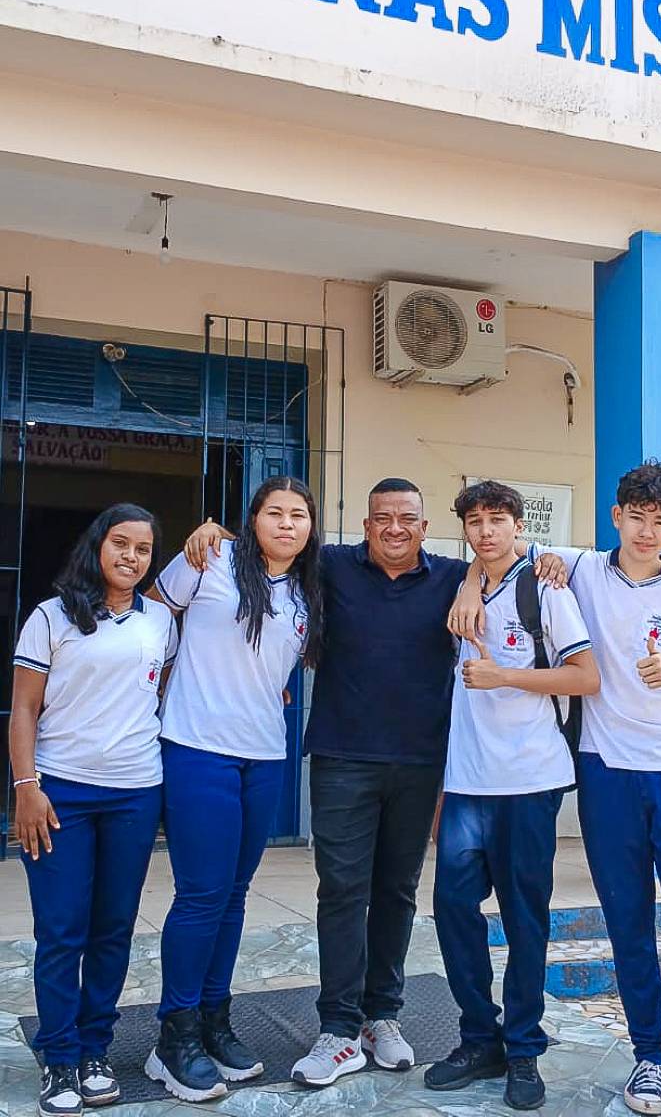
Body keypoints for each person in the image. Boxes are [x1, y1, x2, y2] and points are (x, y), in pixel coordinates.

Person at [185, 479, 567, 1089]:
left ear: (424, 527)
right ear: (365, 525)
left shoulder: (451, 576)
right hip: (341, 758)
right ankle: (337, 1028)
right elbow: (275, 544)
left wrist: (515, 564)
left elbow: (494, 557)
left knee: (397, 892)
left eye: (407, 518)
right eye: (382, 517)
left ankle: (381, 1017)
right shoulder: (332, 565)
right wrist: (216, 534)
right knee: (342, 891)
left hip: (419, 762)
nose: (394, 528)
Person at [450, 462, 661, 1117]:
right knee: (627, 924)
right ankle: (650, 1059)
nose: (646, 530)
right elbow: (499, 546)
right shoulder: (580, 568)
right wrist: (465, 585)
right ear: (616, 517)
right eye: (637, 516)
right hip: (605, 775)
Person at [144, 477, 323, 1104]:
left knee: (236, 894)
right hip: (197, 748)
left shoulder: (308, 590)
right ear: (251, 520)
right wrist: (154, 686)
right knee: (201, 894)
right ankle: (175, 1036)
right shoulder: (209, 558)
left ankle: (214, 1019)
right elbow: (151, 618)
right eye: (274, 512)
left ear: (310, 528)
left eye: (298, 515)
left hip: (263, 755)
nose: (287, 524)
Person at [424, 481, 599, 1112]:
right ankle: (480, 1039)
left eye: (497, 519)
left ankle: (523, 1047)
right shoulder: (462, 585)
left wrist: (504, 676)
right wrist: (472, 580)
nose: (486, 531)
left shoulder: (546, 587)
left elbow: (586, 677)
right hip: (468, 780)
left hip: (529, 780)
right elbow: (475, 573)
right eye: (475, 521)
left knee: (525, 918)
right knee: (452, 910)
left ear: (518, 525)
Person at [9, 504, 177, 1117]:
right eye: (120, 543)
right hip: (61, 794)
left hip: (136, 790)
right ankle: (59, 1057)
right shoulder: (51, 617)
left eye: (143, 549)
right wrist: (26, 786)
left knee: (113, 927)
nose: (130, 557)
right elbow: (24, 709)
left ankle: (94, 1050)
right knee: (62, 930)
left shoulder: (161, 621)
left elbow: (161, 694)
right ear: (97, 546)